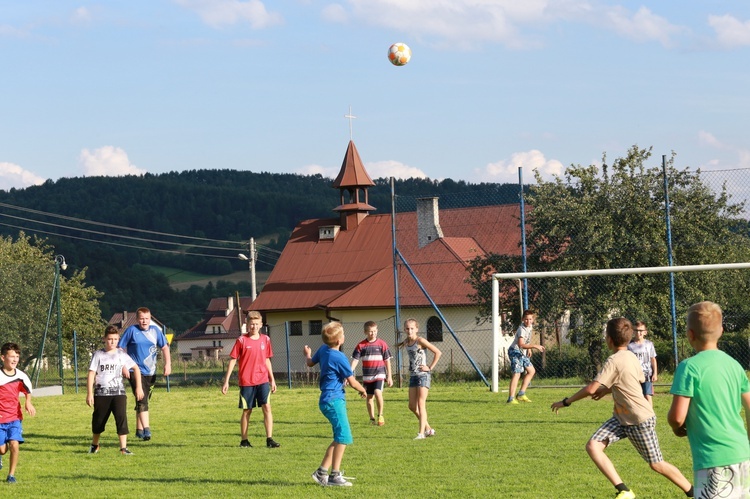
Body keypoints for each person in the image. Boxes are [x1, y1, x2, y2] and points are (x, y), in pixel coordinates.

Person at [551, 318, 693, 499]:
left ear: (608, 339)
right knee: (593, 446)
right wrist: (607, 390)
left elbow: (590, 389)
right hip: (621, 417)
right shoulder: (631, 356)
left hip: (638, 419)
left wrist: (566, 402)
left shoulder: (613, 360)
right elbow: (631, 380)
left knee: (657, 464)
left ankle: (693, 491)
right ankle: (624, 490)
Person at [668, 301, 750, 498]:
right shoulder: (734, 365)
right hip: (743, 456)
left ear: (690, 334)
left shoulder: (689, 367)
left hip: (712, 460)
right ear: (721, 331)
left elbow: (677, 417)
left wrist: (675, 426)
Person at [304, 321, 366, 487]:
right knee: (344, 437)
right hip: (334, 400)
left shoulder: (324, 350)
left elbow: (310, 363)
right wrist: (364, 390)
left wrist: (307, 354)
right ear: (339, 341)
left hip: (326, 400)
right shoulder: (339, 357)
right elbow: (352, 382)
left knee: (339, 437)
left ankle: (322, 472)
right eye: (343, 334)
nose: (344, 336)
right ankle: (335, 476)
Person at [221, 311, 280, 448]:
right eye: (251, 324)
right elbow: (233, 360)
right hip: (247, 381)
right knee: (247, 410)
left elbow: (267, 360)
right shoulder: (241, 340)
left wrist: (272, 379)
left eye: (256, 324)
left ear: (261, 325)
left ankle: (269, 439)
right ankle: (244, 440)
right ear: (247, 325)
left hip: (263, 380)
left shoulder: (266, 340)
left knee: (267, 407)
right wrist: (226, 381)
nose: (254, 326)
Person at [87, 325, 144, 456]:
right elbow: (91, 374)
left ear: (118, 340)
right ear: (104, 339)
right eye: (110, 339)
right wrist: (90, 393)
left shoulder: (121, 354)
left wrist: (139, 387)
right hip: (101, 393)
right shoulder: (98, 355)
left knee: (121, 418)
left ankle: (123, 448)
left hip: (118, 393)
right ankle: (95, 445)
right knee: (98, 420)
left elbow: (136, 368)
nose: (112, 342)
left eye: (115, 339)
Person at [118, 307, 171, 441]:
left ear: (150, 319)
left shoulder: (155, 331)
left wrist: (168, 364)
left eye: (147, 319)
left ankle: (139, 429)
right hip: (134, 370)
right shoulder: (131, 331)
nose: (144, 321)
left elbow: (164, 347)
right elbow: (121, 348)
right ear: (137, 319)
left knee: (142, 400)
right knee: (142, 399)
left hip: (151, 372)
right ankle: (147, 430)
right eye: (141, 318)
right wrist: (124, 366)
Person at [0, 342, 36, 484]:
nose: (15, 359)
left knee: (14, 444)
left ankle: (11, 475)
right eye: (11, 356)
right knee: (2, 450)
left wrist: (28, 402)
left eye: (17, 356)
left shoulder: (21, 376)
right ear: (3, 358)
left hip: (15, 417)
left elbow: (27, 390)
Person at [400, 318, 442, 440]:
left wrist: (429, 367)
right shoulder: (406, 342)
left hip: (423, 375)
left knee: (420, 403)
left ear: (417, 329)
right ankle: (428, 429)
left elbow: (438, 352)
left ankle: (421, 434)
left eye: (412, 328)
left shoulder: (420, 340)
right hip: (413, 376)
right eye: (407, 328)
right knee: (412, 406)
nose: (409, 331)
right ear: (404, 329)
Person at [350, 321, 393, 426]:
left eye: (374, 331)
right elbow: (355, 360)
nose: (372, 333)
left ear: (377, 331)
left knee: (378, 392)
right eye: (370, 332)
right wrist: (349, 372)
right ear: (365, 332)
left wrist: (389, 376)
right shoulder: (361, 345)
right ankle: (372, 419)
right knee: (369, 398)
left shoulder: (382, 344)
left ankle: (381, 415)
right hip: (367, 377)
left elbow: (387, 361)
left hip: (379, 374)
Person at [507, 309, 545, 404]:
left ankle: (521, 394)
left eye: (530, 319)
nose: (528, 321)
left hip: (522, 353)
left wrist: (529, 349)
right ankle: (511, 399)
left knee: (531, 371)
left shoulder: (530, 327)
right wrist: (534, 346)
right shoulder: (521, 329)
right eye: (526, 319)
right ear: (523, 319)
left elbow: (526, 341)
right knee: (517, 373)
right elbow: (521, 344)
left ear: (533, 319)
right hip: (514, 351)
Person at [627, 321, 658, 406]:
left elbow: (653, 359)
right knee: (635, 396)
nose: (638, 333)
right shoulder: (629, 345)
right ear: (633, 331)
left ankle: (650, 415)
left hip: (647, 374)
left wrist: (655, 373)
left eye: (641, 330)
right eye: (636, 330)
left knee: (647, 395)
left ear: (645, 332)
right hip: (634, 374)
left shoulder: (649, 344)